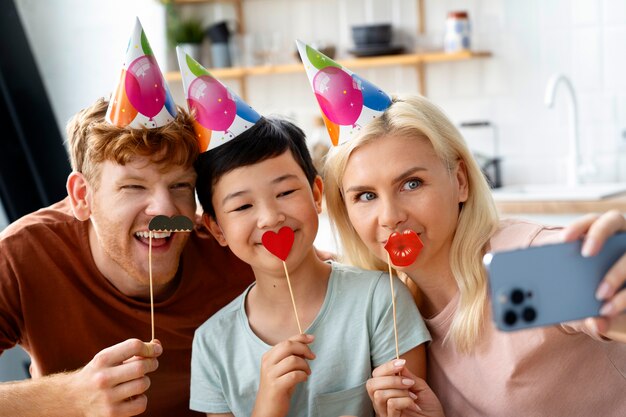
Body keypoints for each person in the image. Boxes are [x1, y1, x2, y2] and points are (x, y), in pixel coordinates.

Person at [321, 93, 626, 417]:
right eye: (366, 195)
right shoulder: (386, 313)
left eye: (412, 184)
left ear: (460, 181)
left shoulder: (526, 261)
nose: (390, 216)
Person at [190, 115, 431, 417]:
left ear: (317, 194)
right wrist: (268, 405)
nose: (270, 218)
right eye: (242, 206)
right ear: (217, 229)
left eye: (285, 193)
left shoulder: (381, 299)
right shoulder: (212, 343)